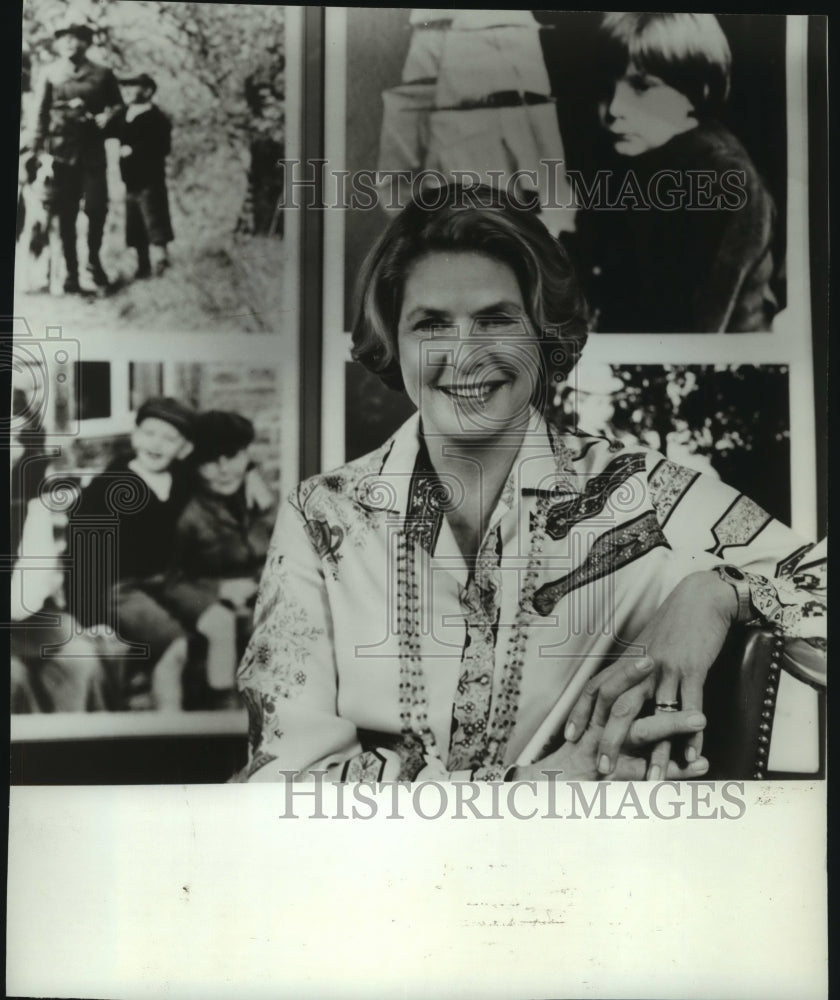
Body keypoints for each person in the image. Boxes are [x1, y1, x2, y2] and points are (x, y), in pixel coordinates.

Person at [236, 184, 825, 783]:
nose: (463, 356)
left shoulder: (643, 493)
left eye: (495, 320)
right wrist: (536, 787)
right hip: (383, 873)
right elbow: (282, 778)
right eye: (431, 325)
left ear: (542, 336)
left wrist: (718, 593)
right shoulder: (323, 514)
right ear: (394, 340)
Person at [570, 13, 778, 333]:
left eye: (641, 87)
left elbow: (701, 329)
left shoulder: (721, 178)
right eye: (604, 86)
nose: (613, 109)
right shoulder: (638, 161)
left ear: (699, 88)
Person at [71, 397, 196, 709]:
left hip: (167, 585)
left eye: (170, 438)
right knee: (174, 645)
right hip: (120, 589)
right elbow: (83, 558)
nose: (157, 444)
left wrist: (249, 475)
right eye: (150, 433)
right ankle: (171, 733)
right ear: (135, 435)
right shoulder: (107, 489)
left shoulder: (183, 481)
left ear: (184, 447)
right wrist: (87, 619)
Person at [161, 411, 275, 709]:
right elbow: (167, 579)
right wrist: (218, 590)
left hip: (258, 600)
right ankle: (224, 714)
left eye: (232, 457)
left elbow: (280, 553)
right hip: (207, 605)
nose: (224, 470)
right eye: (211, 461)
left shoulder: (259, 499)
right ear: (196, 463)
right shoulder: (185, 511)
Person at [28, 16, 123, 293]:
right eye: (64, 36)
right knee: (64, 214)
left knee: (96, 208)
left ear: (87, 41)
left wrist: (108, 115)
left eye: (77, 36)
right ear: (58, 43)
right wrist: (34, 153)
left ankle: (93, 261)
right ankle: (70, 273)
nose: (70, 41)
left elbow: (118, 105)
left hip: (92, 152)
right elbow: (39, 115)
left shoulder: (103, 74)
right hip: (59, 155)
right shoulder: (49, 73)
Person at [108, 73, 174, 278]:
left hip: (150, 178)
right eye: (125, 87)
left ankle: (162, 261)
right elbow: (107, 130)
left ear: (147, 91)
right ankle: (142, 265)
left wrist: (135, 151)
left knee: (155, 220)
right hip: (129, 179)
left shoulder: (157, 118)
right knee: (135, 223)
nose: (126, 91)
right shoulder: (122, 114)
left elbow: (162, 147)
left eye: (132, 87)